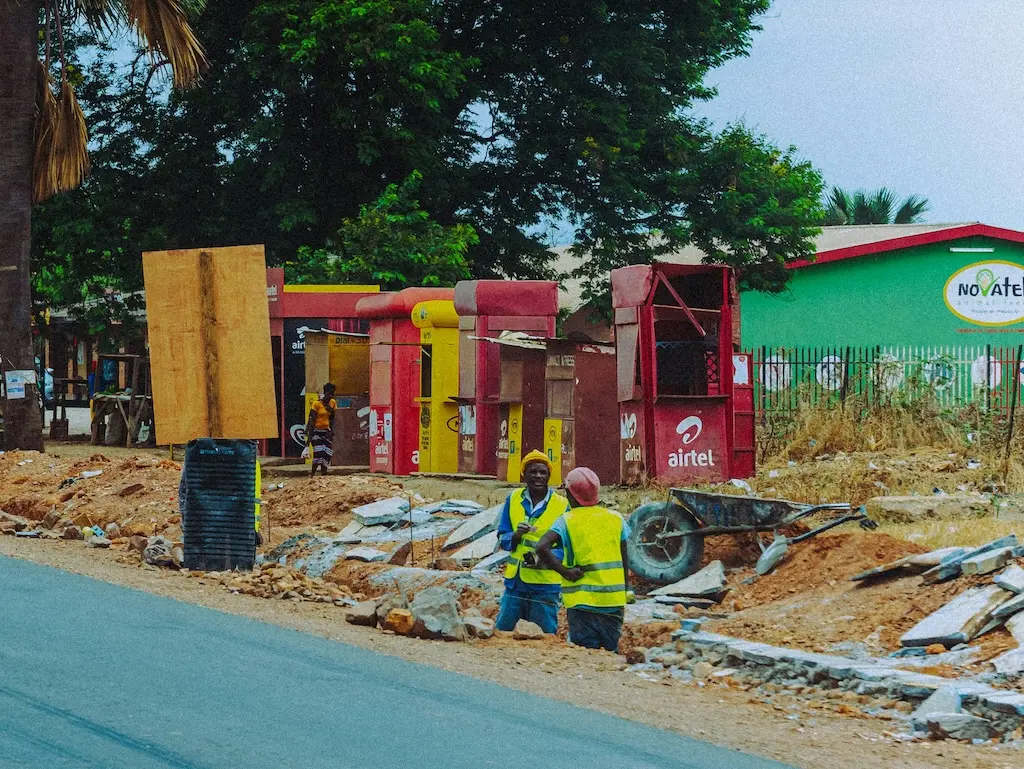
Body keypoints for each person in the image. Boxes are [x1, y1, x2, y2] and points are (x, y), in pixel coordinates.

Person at [535, 467, 631, 652]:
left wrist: (564, 571)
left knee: (586, 656)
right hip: (613, 602)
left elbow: (541, 547)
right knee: (609, 654)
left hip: (582, 602)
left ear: (571, 495)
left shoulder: (567, 520)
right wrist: (624, 591)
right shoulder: (616, 518)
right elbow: (625, 559)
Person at [493, 449, 570, 634]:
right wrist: (516, 536)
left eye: (542, 472)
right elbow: (502, 538)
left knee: (544, 638)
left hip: (544, 585)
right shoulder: (513, 499)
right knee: (504, 635)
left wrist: (543, 558)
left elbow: (566, 547)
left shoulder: (561, 505)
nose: (538, 476)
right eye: (533, 472)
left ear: (549, 476)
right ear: (524, 474)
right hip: (515, 584)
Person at [305, 383, 337, 478]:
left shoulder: (333, 403)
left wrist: (331, 432)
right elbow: (312, 420)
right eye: (328, 393)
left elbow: (333, 419)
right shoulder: (316, 404)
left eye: (332, 394)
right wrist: (309, 437)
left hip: (326, 432)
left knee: (327, 453)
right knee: (318, 453)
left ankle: (323, 475)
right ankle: (313, 474)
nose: (330, 396)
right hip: (316, 431)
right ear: (325, 392)